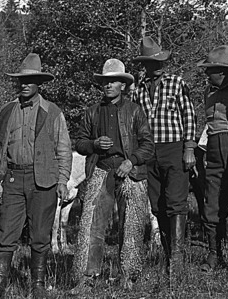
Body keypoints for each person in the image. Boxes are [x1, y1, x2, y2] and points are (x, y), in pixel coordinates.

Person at [0, 53, 72, 299]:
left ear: (39, 83)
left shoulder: (52, 112)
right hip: (13, 179)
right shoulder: (7, 111)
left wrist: (63, 180)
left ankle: (38, 285)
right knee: (5, 236)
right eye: (21, 80)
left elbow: (63, 148)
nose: (24, 84)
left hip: (43, 181)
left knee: (40, 236)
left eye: (30, 80)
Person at [72, 59, 154, 292]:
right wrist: (94, 144)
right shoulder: (92, 112)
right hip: (102, 171)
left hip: (130, 174)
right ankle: (88, 277)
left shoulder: (134, 111)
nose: (109, 85)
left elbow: (148, 144)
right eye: (106, 81)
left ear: (123, 85)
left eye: (114, 81)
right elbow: (79, 143)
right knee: (93, 226)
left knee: (130, 227)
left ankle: (128, 275)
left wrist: (132, 161)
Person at [132, 36, 196, 278]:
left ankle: (177, 261)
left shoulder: (176, 83)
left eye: (159, 61)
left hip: (174, 148)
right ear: (145, 64)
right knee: (157, 204)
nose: (156, 65)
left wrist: (189, 147)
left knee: (176, 203)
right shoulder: (138, 89)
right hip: (149, 151)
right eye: (151, 62)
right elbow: (136, 123)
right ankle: (167, 254)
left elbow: (188, 115)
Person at [196, 45, 228, 270]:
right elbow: (209, 128)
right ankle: (214, 253)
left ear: (223, 71)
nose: (207, 74)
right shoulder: (209, 92)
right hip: (214, 152)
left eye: (211, 70)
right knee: (213, 205)